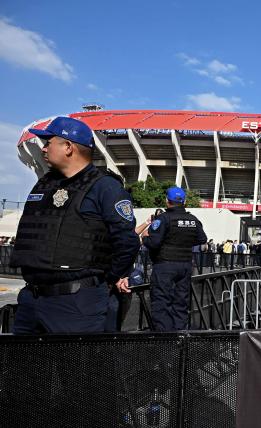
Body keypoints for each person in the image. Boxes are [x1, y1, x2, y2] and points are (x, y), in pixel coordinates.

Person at [9, 116, 139, 334]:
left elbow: (127, 242)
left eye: (49, 142)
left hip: (77, 303)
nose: (43, 148)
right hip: (32, 299)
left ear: (68, 147)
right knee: (23, 366)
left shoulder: (105, 188)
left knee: (74, 367)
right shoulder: (45, 184)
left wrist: (103, 282)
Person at [136, 186, 207, 331]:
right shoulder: (193, 220)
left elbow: (154, 243)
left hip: (165, 265)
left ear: (167, 201)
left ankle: (164, 341)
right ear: (185, 201)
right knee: (181, 302)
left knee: (162, 303)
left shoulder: (163, 218)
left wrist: (144, 238)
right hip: (186, 266)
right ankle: (180, 337)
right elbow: (202, 238)